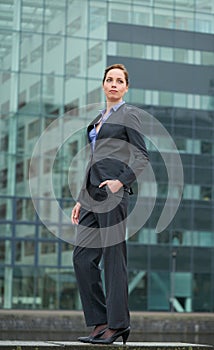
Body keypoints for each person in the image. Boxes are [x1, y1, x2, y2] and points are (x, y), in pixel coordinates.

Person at [71, 63, 149, 344]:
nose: (113, 84)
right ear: (103, 85)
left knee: (114, 259)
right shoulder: (97, 119)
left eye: (119, 81)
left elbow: (142, 156)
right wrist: (81, 198)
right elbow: (92, 161)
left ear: (126, 87)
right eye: (109, 80)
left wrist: (120, 182)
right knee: (82, 258)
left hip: (113, 194)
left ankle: (118, 324)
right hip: (91, 196)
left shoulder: (130, 115)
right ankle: (99, 322)